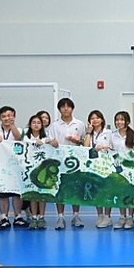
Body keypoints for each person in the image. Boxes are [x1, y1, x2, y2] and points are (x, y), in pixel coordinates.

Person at [0, 106, 26, 230]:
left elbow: (19, 138)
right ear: (0, 118)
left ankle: (18, 217)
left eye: (9, 115)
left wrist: (12, 126)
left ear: (14, 116)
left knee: (17, 194)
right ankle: (4, 218)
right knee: (3, 195)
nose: (7, 118)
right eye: (4, 116)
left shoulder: (19, 130)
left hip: (16, 168)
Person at [50, 98, 86, 230]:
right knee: (60, 189)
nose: (66, 109)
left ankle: (76, 215)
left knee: (75, 189)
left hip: (76, 162)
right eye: (63, 107)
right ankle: (60, 217)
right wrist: (51, 142)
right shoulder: (54, 125)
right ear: (59, 109)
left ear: (72, 108)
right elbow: (50, 141)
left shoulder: (80, 124)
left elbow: (84, 142)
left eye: (68, 106)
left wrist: (78, 141)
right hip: (59, 162)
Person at [110, 111, 134, 229]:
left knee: (130, 193)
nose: (119, 122)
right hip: (117, 169)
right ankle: (122, 217)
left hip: (131, 169)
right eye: (117, 120)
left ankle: (130, 218)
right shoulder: (112, 135)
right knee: (120, 192)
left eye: (122, 120)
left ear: (127, 121)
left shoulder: (133, 135)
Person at [22, 114, 51, 229]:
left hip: (43, 170)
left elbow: (55, 146)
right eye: (33, 122)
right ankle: (34, 217)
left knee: (42, 195)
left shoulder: (46, 137)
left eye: (38, 122)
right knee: (33, 195)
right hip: (29, 169)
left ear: (42, 125)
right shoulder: (25, 137)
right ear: (30, 124)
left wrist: (50, 143)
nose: (36, 124)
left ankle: (42, 217)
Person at [85, 110, 114, 228]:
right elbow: (86, 147)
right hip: (94, 165)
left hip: (107, 165)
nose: (95, 120)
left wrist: (105, 148)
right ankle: (100, 215)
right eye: (92, 118)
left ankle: (107, 216)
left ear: (102, 119)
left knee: (107, 190)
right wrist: (88, 132)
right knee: (96, 190)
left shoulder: (109, 133)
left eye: (97, 118)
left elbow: (114, 147)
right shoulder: (89, 133)